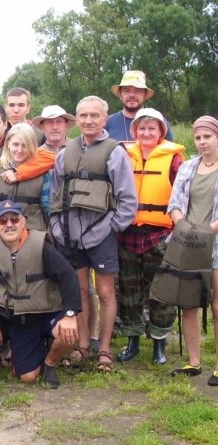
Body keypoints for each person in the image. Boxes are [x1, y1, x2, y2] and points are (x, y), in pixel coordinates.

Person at [50, 96, 138, 372]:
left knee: (105, 292)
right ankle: (83, 345)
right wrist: (56, 227)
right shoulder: (65, 152)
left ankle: (105, 349)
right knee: (79, 291)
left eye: (94, 116)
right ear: (77, 118)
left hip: (101, 235)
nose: (88, 121)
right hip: (70, 235)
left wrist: (111, 228)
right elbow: (55, 195)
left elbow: (127, 200)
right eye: (83, 115)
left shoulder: (115, 152)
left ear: (104, 118)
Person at [0, 200, 81, 388]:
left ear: (24, 222)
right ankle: (35, 350)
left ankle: (50, 363)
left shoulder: (41, 246)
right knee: (27, 377)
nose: (9, 225)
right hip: (21, 321)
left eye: (14, 219)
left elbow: (68, 276)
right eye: (3, 221)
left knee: (67, 333)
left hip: (49, 312)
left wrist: (70, 314)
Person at [116, 109, 185, 365]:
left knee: (161, 292)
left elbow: (181, 195)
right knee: (128, 290)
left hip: (160, 235)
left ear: (161, 132)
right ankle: (132, 340)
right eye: (141, 129)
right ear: (134, 132)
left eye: (152, 129)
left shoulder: (174, 159)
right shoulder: (123, 155)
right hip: (127, 234)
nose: (146, 133)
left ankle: (159, 343)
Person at [166, 116, 218, 383]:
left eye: (207, 136)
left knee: (217, 305)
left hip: (215, 242)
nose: (202, 142)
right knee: (188, 304)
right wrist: (183, 226)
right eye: (198, 137)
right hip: (187, 242)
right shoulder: (187, 167)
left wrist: (209, 230)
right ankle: (194, 362)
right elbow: (173, 203)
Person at [0, 123, 54, 246]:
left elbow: (47, 208)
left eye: (25, 145)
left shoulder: (43, 174)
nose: (19, 150)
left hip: (32, 235)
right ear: (8, 143)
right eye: (15, 144)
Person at [105, 70, 174, 143]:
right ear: (120, 95)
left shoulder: (159, 121)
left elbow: (171, 152)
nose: (132, 95)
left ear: (145, 95)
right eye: (126, 91)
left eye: (137, 91)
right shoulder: (107, 123)